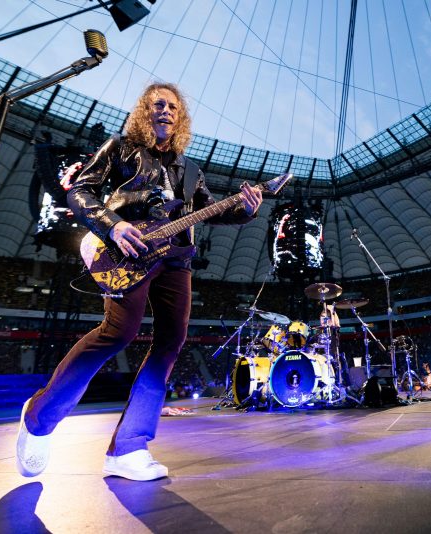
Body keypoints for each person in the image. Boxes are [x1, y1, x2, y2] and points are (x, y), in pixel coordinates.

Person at [15, 82, 263, 481]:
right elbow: (81, 191)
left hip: (176, 260)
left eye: (172, 107)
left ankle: (129, 447)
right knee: (118, 332)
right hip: (127, 250)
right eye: (157, 104)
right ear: (143, 112)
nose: (165, 111)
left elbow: (210, 212)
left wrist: (245, 210)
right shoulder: (119, 148)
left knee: (170, 343)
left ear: (180, 118)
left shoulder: (191, 169)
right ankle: (39, 419)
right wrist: (112, 226)